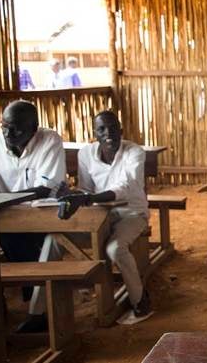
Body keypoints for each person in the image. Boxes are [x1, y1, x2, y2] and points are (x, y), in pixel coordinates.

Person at [58, 111, 152, 319]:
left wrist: (88, 199)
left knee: (115, 248)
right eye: (101, 129)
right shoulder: (86, 154)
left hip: (132, 213)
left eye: (112, 127)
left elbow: (126, 186)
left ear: (121, 130)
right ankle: (42, 310)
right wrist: (74, 195)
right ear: (94, 133)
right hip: (99, 214)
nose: (107, 133)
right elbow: (86, 189)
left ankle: (139, 298)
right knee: (55, 240)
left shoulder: (134, 152)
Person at [0, 100, 65, 332]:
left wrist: (4, 199)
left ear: (34, 128)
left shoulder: (49, 141)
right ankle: (7, 307)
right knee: (7, 239)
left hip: (41, 215)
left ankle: (39, 311)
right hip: (5, 217)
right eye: (4, 125)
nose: (7, 132)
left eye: (16, 128)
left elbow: (44, 189)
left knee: (48, 245)